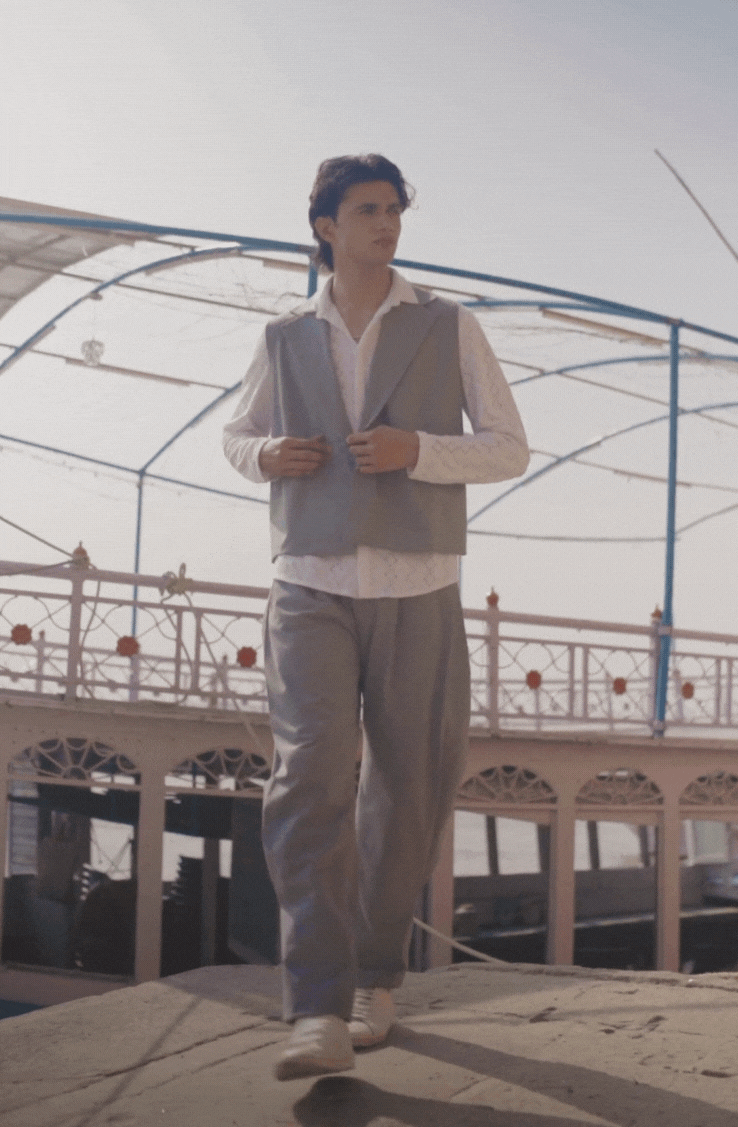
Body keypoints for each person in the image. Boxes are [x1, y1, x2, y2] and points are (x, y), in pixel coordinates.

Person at [222, 154, 529, 1081]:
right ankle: (315, 1006)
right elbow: (236, 435)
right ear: (326, 226)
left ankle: (374, 977)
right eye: (367, 209)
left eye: (395, 208)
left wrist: (417, 450)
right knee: (308, 776)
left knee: (408, 784)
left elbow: (509, 446)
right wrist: (268, 454)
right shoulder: (283, 335)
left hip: (418, 581)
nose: (387, 223)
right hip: (308, 580)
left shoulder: (448, 323)